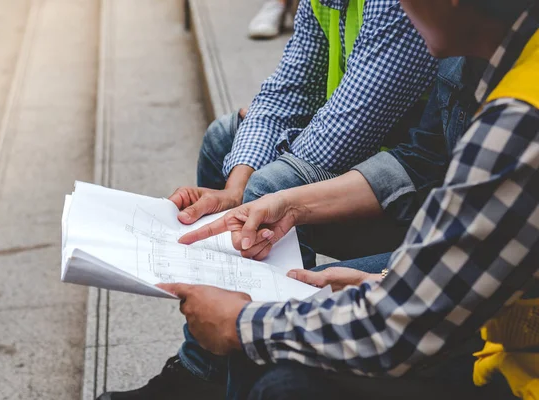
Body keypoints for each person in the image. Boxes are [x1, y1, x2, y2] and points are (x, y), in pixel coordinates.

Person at [154, 0, 539, 398]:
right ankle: (205, 371)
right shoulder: (486, 56)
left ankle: (204, 375)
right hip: (482, 293)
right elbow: (423, 158)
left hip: (512, 357)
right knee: (239, 152)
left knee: (282, 369)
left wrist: (239, 324)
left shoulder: (517, 123)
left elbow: (399, 325)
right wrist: (376, 276)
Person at [171, 0, 437, 269]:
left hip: (414, 192)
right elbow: (285, 94)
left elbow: (339, 139)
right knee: (225, 138)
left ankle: (276, 302)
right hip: (368, 158)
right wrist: (235, 189)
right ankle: (219, 290)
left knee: (271, 185)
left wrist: (252, 197)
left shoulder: (397, 6)